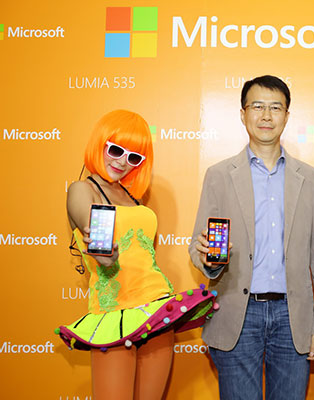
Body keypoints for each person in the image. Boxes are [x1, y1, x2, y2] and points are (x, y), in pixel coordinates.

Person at [188, 75, 314, 400]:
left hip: (292, 316)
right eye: (257, 107)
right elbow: (199, 247)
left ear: (287, 115)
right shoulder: (219, 175)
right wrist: (208, 259)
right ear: (243, 114)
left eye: (275, 108)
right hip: (237, 314)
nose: (266, 116)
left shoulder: (310, 178)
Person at [56, 110, 216, 400]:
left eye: (133, 157)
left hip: (156, 312)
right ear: (100, 144)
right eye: (116, 150)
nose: (122, 162)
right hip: (114, 315)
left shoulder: (133, 197)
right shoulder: (82, 190)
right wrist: (105, 255)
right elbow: (94, 235)